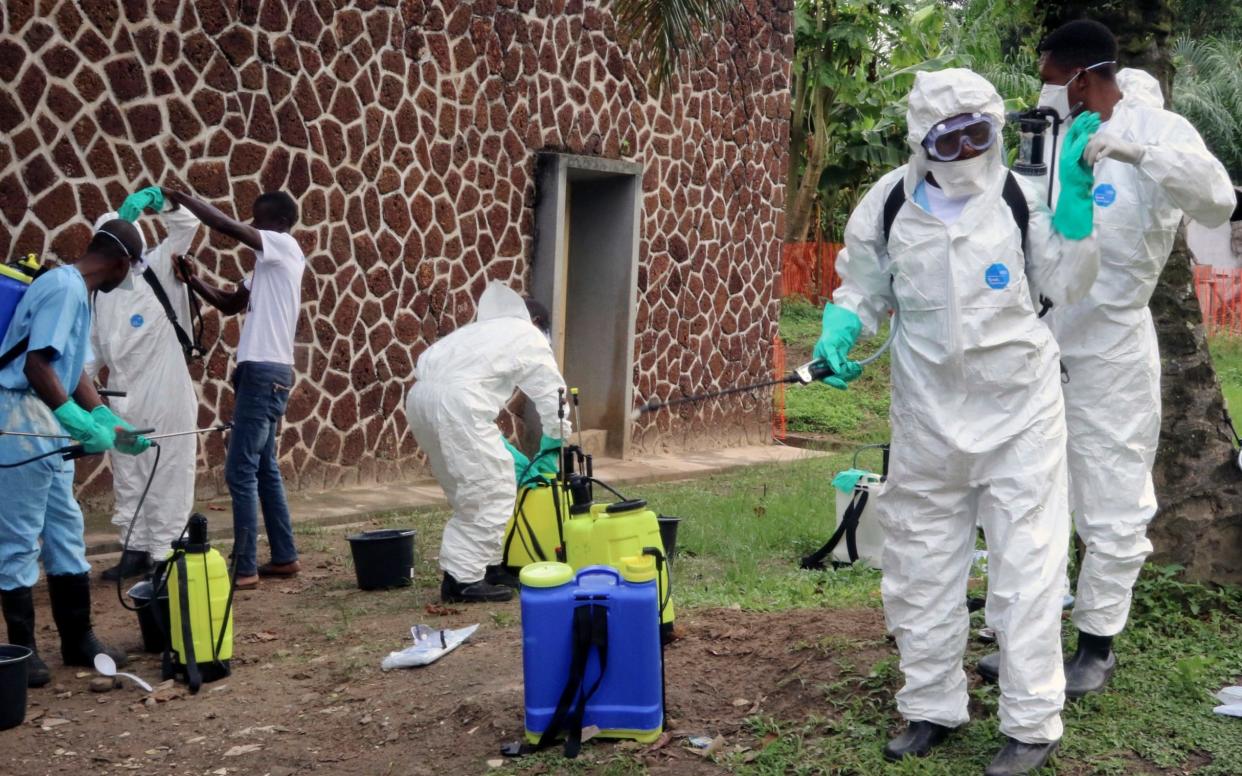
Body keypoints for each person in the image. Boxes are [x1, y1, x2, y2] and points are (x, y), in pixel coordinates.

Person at [815, 69, 1102, 775]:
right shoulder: (887, 204)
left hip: (1019, 418)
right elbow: (862, 284)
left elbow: (1065, 286)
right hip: (928, 419)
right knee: (919, 564)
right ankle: (931, 705)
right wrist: (840, 326)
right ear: (924, 141)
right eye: (954, 135)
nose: (971, 147)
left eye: (982, 131)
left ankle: (1032, 722)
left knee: (1027, 568)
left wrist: (1075, 215)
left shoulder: (1020, 197)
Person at [976, 20, 1236, 699]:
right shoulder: (1050, 133)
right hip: (1038, 344)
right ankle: (1031, 638)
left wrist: (1138, 154)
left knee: (1111, 499)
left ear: (1085, 78)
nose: (1046, 90)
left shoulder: (1157, 131)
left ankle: (1097, 643)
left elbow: (1218, 196)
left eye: (1052, 78)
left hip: (1112, 349)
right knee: (1030, 496)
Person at [0, 219, 151, 687]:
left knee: (65, 530)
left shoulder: (74, 289)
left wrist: (107, 419)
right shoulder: (64, 289)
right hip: (20, 418)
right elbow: (36, 365)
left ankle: (77, 638)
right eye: (129, 273)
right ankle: (22, 652)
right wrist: (76, 421)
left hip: (43, 418)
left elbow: (71, 370)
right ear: (121, 263)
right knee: (19, 539)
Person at [164, 188, 306, 591]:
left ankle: (244, 568)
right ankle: (284, 556)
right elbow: (230, 304)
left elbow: (225, 225)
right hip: (265, 373)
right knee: (263, 468)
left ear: (277, 223)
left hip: (263, 373)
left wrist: (180, 196)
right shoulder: (265, 268)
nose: (254, 226)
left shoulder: (283, 246)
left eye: (259, 220)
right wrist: (194, 280)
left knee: (239, 470)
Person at [405, 282, 569, 604]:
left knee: (465, 485)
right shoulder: (527, 335)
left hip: (420, 399)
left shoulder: (477, 332)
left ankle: (487, 566)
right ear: (535, 323)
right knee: (490, 489)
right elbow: (553, 393)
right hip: (459, 404)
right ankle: (462, 581)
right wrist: (557, 438)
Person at [89, 189, 203, 581]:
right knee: (128, 474)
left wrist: (161, 202)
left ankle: (166, 551)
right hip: (121, 395)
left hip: (166, 389)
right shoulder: (101, 295)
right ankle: (135, 548)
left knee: (169, 469)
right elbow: (92, 351)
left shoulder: (156, 267)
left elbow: (187, 224)